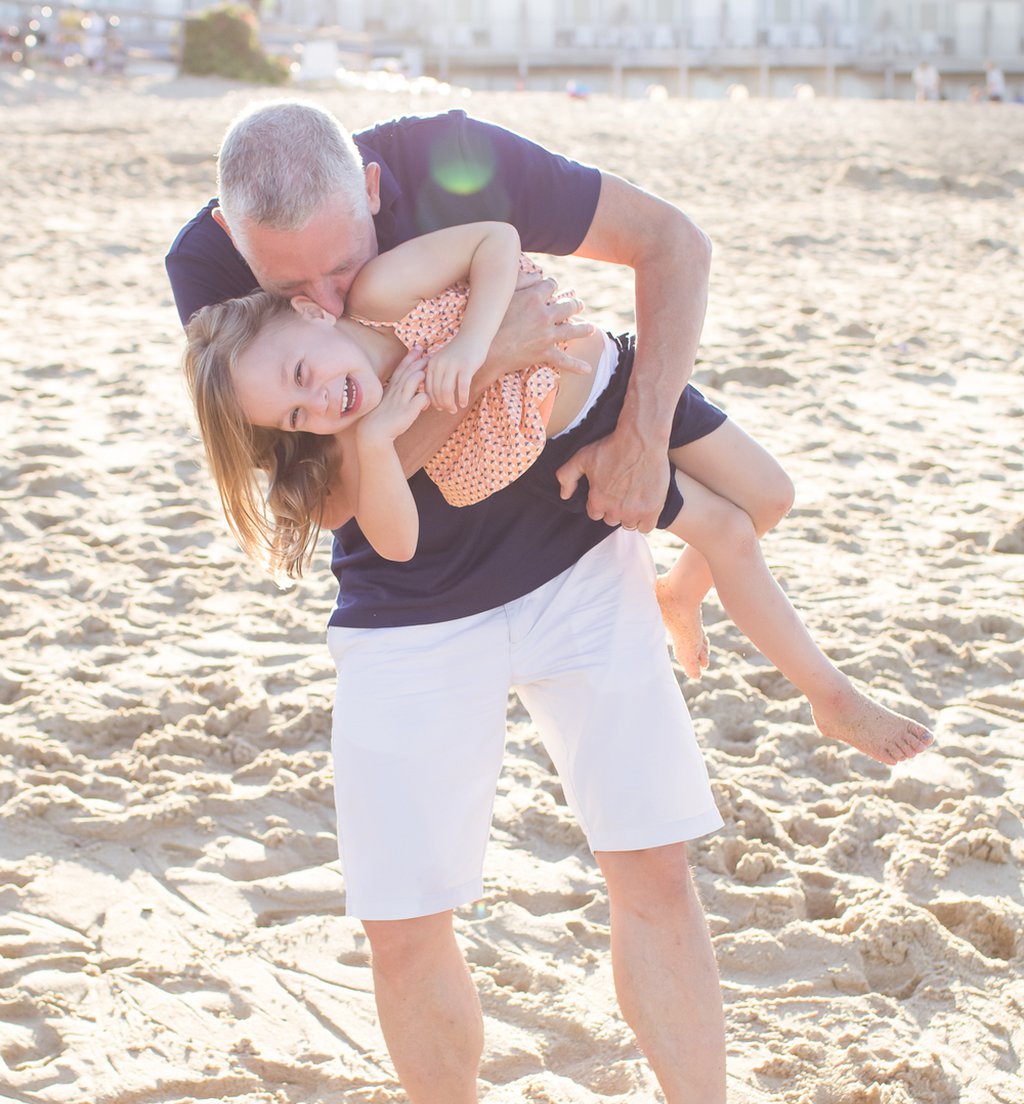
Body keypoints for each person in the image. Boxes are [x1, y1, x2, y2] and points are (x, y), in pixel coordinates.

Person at [164, 98, 900, 1104]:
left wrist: (641, 442)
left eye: (343, 263)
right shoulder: (212, 276)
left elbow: (672, 244)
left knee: (649, 867)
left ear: (379, 192)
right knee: (403, 919)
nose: (332, 301)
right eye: (299, 286)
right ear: (246, 261)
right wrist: (486, 367)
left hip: (576, 557)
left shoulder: (457, 161)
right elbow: (336, 498)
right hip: (403, 610)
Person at [183, 224, 933, 768]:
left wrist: (474, 344)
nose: (318, 403)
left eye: (300, 375)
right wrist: (376, 442)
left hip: (623, 378)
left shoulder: (380, 294)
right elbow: (398, 540)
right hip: (568, 451)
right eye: (294, 416)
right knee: (731, 532)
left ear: (312, 314)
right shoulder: (360, 429)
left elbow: (495, 241)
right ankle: (829, 696)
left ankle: (678, 594)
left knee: (770, 497)